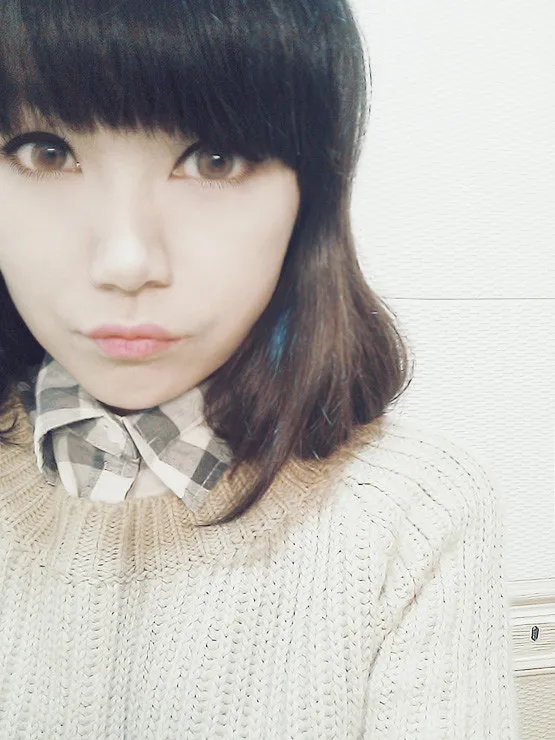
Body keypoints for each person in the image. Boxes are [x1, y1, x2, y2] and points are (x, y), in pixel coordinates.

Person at [0, 0, 519, 737]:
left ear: (311, 200)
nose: (126, 262)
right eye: (46, 152)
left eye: (214, 159)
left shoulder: (412, 515)